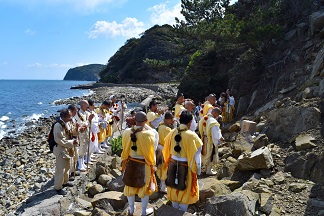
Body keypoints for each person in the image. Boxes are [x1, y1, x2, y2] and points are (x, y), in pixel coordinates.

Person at [163, 111, 202, 212]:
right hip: (185, 166)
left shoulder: (172, 132)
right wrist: (198, 169)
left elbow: (166, 148)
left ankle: (175, 209)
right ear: (189, 122)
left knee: (172, 185)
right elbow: (197, 155)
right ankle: (182, 212)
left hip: (172, 163)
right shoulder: (192, 136)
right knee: (185, 188)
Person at [121, 111, 157, 216]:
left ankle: (131, 210)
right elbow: (153, 149)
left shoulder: (127, 132)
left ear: (134, 120)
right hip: (144, 163)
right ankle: (143, 211)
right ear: (146, 121)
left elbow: (124, 148)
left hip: (131, 161)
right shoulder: (150, 134)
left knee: (129, 185)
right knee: (144, 188)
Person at [53, 109, 79, 195]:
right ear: (63, 117)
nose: (70, 118)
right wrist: (72, 142)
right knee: (61, 169)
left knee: (68, 166)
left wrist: (77, 129)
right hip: (61, 150)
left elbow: (72, 133)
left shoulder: (67, 123)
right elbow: (59, 140)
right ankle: (58, 187)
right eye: (69, 116)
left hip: (68, 149)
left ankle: (65, 182)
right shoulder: (58, 125)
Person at [156, 111, 174, 193]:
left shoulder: (160, 126)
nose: (173, 120)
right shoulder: (167, 129)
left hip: (159, 148)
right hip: (165, 149)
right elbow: (171, 141)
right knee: (164, 167)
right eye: (171, 119)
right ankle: (163, 186)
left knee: (160, 167)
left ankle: (161, 184)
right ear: (167, 119)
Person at [74, 100, 94, 172]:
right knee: (82, 148)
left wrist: (89, 120)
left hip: (87, 132)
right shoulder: (78, 114)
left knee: (85, 148)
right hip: (81, 134)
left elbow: (88, 124)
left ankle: (83, 163)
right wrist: (88, 120)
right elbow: (82, 124)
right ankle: (80, 164)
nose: (87, 107)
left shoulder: (86, 113)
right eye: (86, 106)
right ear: (82, 105)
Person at [203, 107, 224, 175]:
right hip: (210, 140)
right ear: (215, 112)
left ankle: (206, 168)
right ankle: (208, 170)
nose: (218, 116)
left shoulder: (205, 118)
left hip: (204, 139)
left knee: (205, 154)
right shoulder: (213, 122)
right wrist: (220, 138)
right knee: (211, 154)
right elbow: (216, 133)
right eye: (217, 114)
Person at [67, 104, 80, 179]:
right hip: (70, 141)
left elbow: (74, 130)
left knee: (76, 156)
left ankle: (73, 170)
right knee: (71, 158)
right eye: (75, 111)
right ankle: (69, 174)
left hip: (75, 140)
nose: (76, 112)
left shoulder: (73, 118)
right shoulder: (68, 120)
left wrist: (77, 128)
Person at [85, 99, 99, 165]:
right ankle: (87, 159)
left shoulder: (93, 112)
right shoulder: (87, 113)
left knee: (94, 144)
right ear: (89, 106)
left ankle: (90, 157)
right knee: (90, 145)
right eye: (93, 105)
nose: (94, 106)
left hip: (95, 129)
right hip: (91, 130)